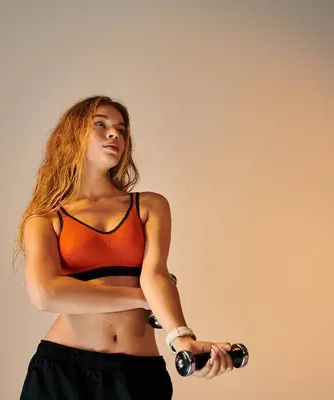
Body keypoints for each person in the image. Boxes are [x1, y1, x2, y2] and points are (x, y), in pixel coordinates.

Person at [14, 95, 233, 399]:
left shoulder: (149, 206)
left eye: (122, 128)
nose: (115, 133)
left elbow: (155, 275)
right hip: (62, 371)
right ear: (72, 136)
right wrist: (143, 300)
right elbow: (46, 293)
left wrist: (182, 340)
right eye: (100, 125)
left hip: (138, 376)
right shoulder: (46, 218)